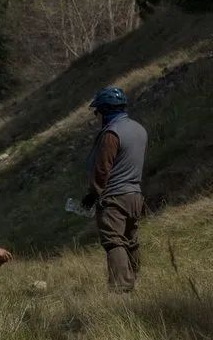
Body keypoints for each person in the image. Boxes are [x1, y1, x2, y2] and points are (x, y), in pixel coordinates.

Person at [81, 87, 147, 292]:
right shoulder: (139, 129)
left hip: (114, 197)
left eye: (97, 112)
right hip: (135, 195)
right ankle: (134, 279)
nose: (96, 116)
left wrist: (93, 194)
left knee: (114, 241)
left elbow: (102, 169)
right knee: (131, 240)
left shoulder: (112, 133)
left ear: (105, 110)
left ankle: (122, 289)